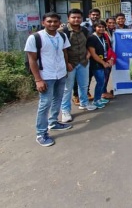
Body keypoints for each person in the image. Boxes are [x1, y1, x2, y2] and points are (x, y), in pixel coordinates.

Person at [25, 12, 72, 147]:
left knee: (58, 99)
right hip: (46, 76)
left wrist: (66, 67)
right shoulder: (35, 37)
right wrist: (38, 80)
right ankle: (41, 134)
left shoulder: (62, 35)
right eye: (49, 21)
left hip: (61, 74)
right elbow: (32, 60)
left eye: (55, 22)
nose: (52, 24)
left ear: (59, 23)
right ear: (43, 22)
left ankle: (53, 122)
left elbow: (64, 52)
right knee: (45, 104)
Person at [60, 9, 96, 124]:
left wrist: (89, 53)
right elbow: (59, 49)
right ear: (68, 18)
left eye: (78, 17)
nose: (76, 20)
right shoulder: (63, 31)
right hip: (70, 64)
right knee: (67, 88)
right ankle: (65, 111)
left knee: (84, 85)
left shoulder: (85, 30)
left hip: (83, 62)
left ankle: (84, 103)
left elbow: (89, 43)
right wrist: (66, 64)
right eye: (73, 17)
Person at [86, 20, 115, 109]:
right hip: (96, 64)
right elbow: (93, 54)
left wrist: (110, 59)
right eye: (99, 27)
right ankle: (96, 100)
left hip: (104, 62)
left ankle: (99, 98)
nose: (101, 29)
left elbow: (108, 50)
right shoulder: (92, 38)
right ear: (95, 28)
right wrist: (103, 63)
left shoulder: (104, 37)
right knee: (100, 81)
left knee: (102, 81)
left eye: (103, 27)